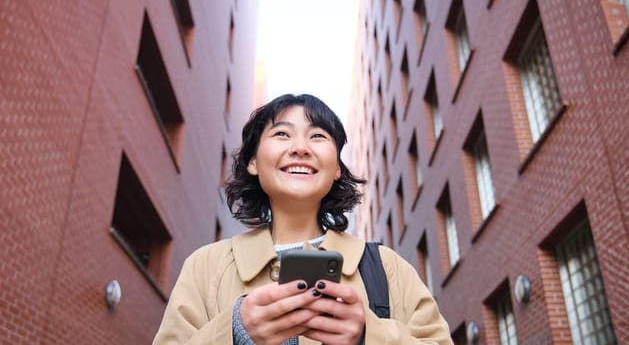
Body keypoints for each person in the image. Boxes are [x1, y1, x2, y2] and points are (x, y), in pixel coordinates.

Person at [153, 94, 453, 344]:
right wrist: (235, 331)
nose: (300, 148)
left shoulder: (387, 268)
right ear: (253, 162)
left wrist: (368, 335)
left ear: (337, 168)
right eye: (282, 133)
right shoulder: (206, 267)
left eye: (318, 136)